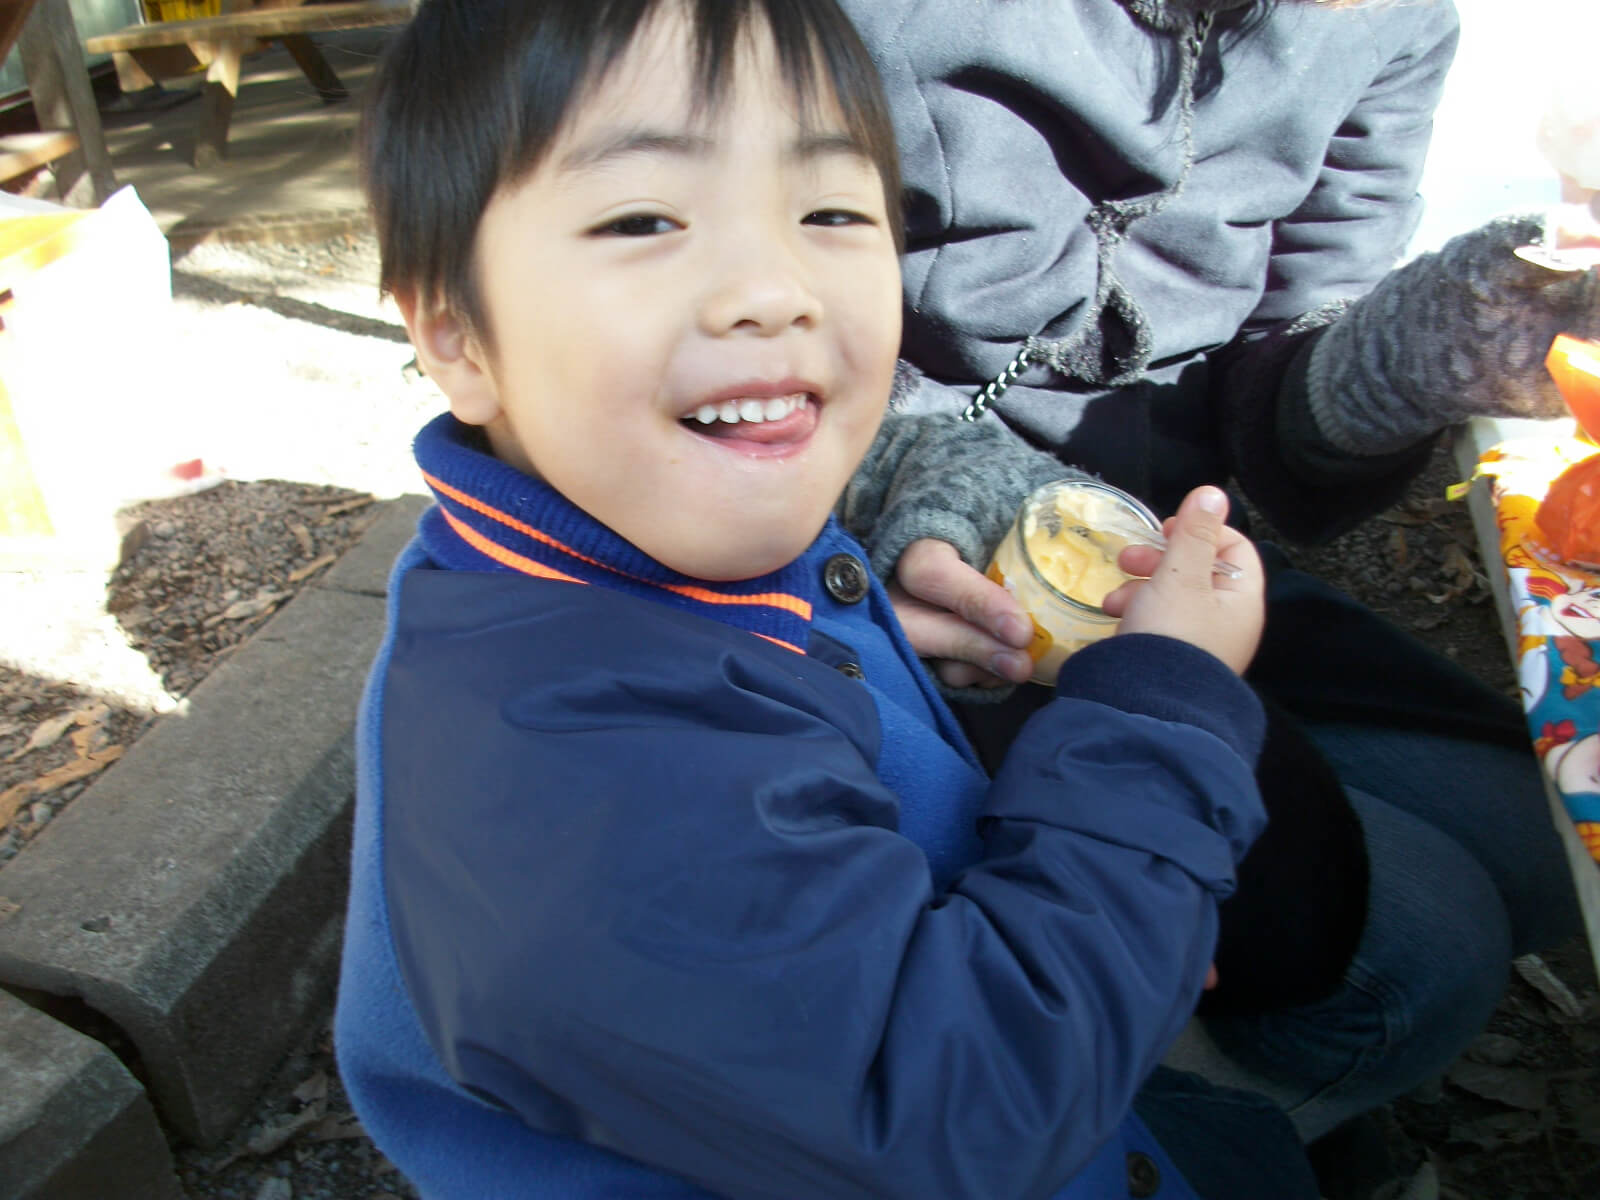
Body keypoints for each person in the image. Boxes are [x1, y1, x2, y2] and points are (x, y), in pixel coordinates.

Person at [333, 1, 1327, 1196]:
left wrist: (1109, 890)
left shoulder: (619, 537)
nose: (773, 287)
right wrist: (1165, 708)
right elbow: (980, 1105)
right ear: (455, 334)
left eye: (832, 213)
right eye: (643, 216)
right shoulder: (581, 777)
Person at [831, 0, 1593, 1179]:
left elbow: (1277, 392)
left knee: (1537, 842)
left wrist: (1422, 350)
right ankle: (1150, 1135)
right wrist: (917, 484)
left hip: (1171, 551)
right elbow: (694, 335)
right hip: (931, 591)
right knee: (1418, 968)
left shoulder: (1384, 20)